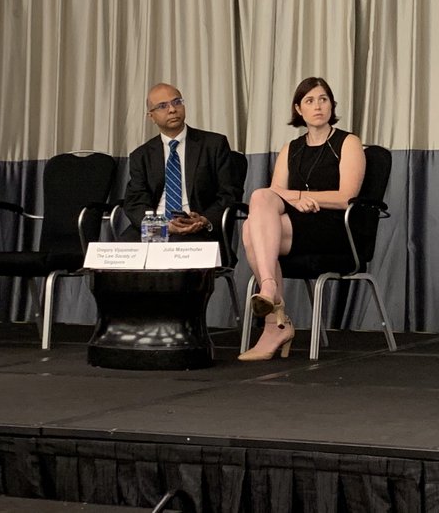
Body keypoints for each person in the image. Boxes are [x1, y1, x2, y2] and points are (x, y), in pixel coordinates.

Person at [238, 77, 366, 361]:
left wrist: (300, 196)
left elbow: (347, 197)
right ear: (298, 109)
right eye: (309, 101)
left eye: (323, 99)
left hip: (334, 228)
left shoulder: (348, 142)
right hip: (296, 224)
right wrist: (295, 201)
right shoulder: (291, 148)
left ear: (331, 105)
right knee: (259, 200)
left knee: (250, 230)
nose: (317, 106)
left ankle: (274, 320)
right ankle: (270, 292)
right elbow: (273, 194)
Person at [122, 82, 242, 243]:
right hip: (156, 227)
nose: (172, 109)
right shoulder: (141, 155)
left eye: (177, 102)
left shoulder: (214, 145)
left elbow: (229, 193)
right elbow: (135, 201)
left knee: (177, 248)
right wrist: (163, 226)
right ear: (151, 116)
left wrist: (204, 219)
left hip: (196, 226)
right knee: (116, 253)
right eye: (162, 106)